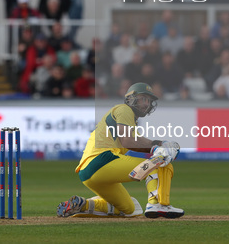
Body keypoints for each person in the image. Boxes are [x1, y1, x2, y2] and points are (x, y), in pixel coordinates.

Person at [56, 82, 183, 219]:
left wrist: (159, 144)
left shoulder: (128, 118)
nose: (146, 103)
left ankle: (83, 205)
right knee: (159, 164)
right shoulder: (124, 109)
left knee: (130, 209)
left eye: (149, 100)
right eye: (143, 98)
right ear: (131, 98)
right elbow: (127, 141)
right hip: (102, 160)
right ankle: (157, 204)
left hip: (87, 173)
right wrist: (157, 147)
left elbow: (135, 140)